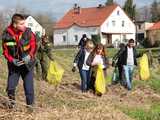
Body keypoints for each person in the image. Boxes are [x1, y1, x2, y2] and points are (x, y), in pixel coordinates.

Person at [2, 13, 37, 109]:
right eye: (21, 24)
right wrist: (11, 60)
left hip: (27, 65)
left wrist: (29, 56)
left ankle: (30, 109)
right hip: (14, 66)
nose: (24, 26)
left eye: (24, 23)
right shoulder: (6, 35)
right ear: (14, 24)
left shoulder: (29, 33)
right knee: (10, 88)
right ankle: (11, 105)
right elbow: (5, 51)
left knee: (29, 89)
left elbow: (34, 46)